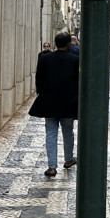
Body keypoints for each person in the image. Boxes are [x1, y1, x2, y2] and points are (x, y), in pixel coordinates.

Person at [28, 32, 79, 177]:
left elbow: (39, 79)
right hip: (69, 104)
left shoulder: (45, 58)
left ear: (55, 44)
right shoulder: (75, 60)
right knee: (68, 132)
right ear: (68, 44)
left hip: (49, 103)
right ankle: (69, 160)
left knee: (51, 133)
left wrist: (43, 95)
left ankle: (52, 167)